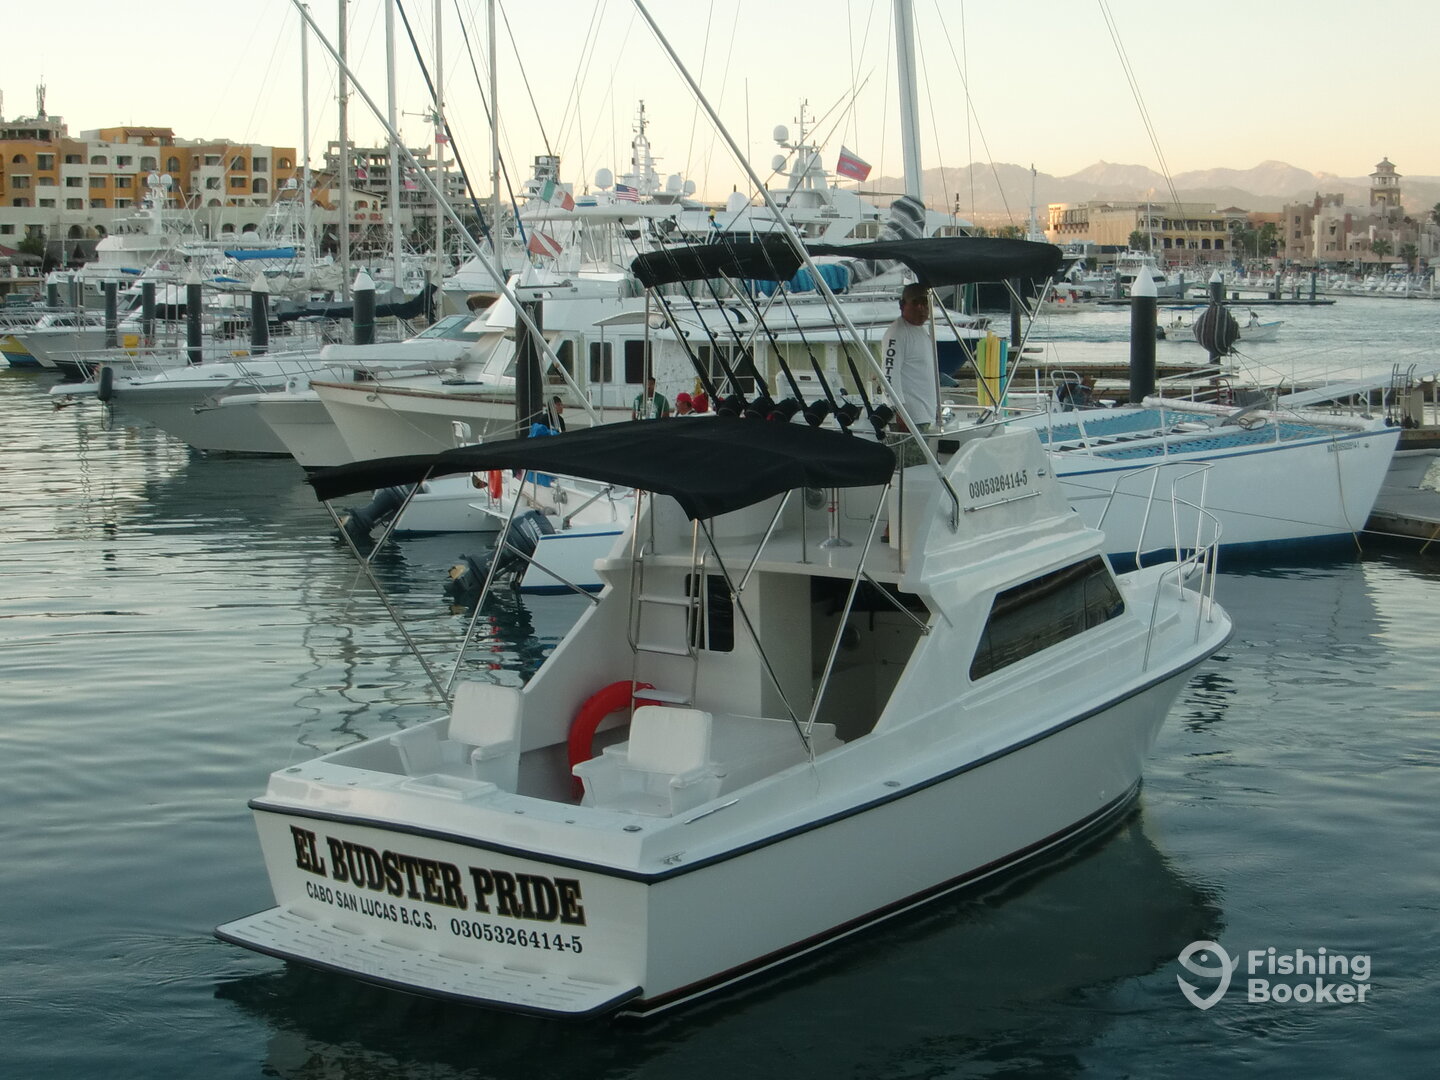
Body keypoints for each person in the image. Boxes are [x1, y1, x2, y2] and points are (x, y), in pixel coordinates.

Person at [880, 283, 938, 435]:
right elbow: (889, 375)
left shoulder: (921, 331)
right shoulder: (897, 334)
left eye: (924, 303)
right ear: (902, 305)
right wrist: (900, 412)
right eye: (915, 303)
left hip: (925, 415)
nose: (921, 308)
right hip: (909, 418)